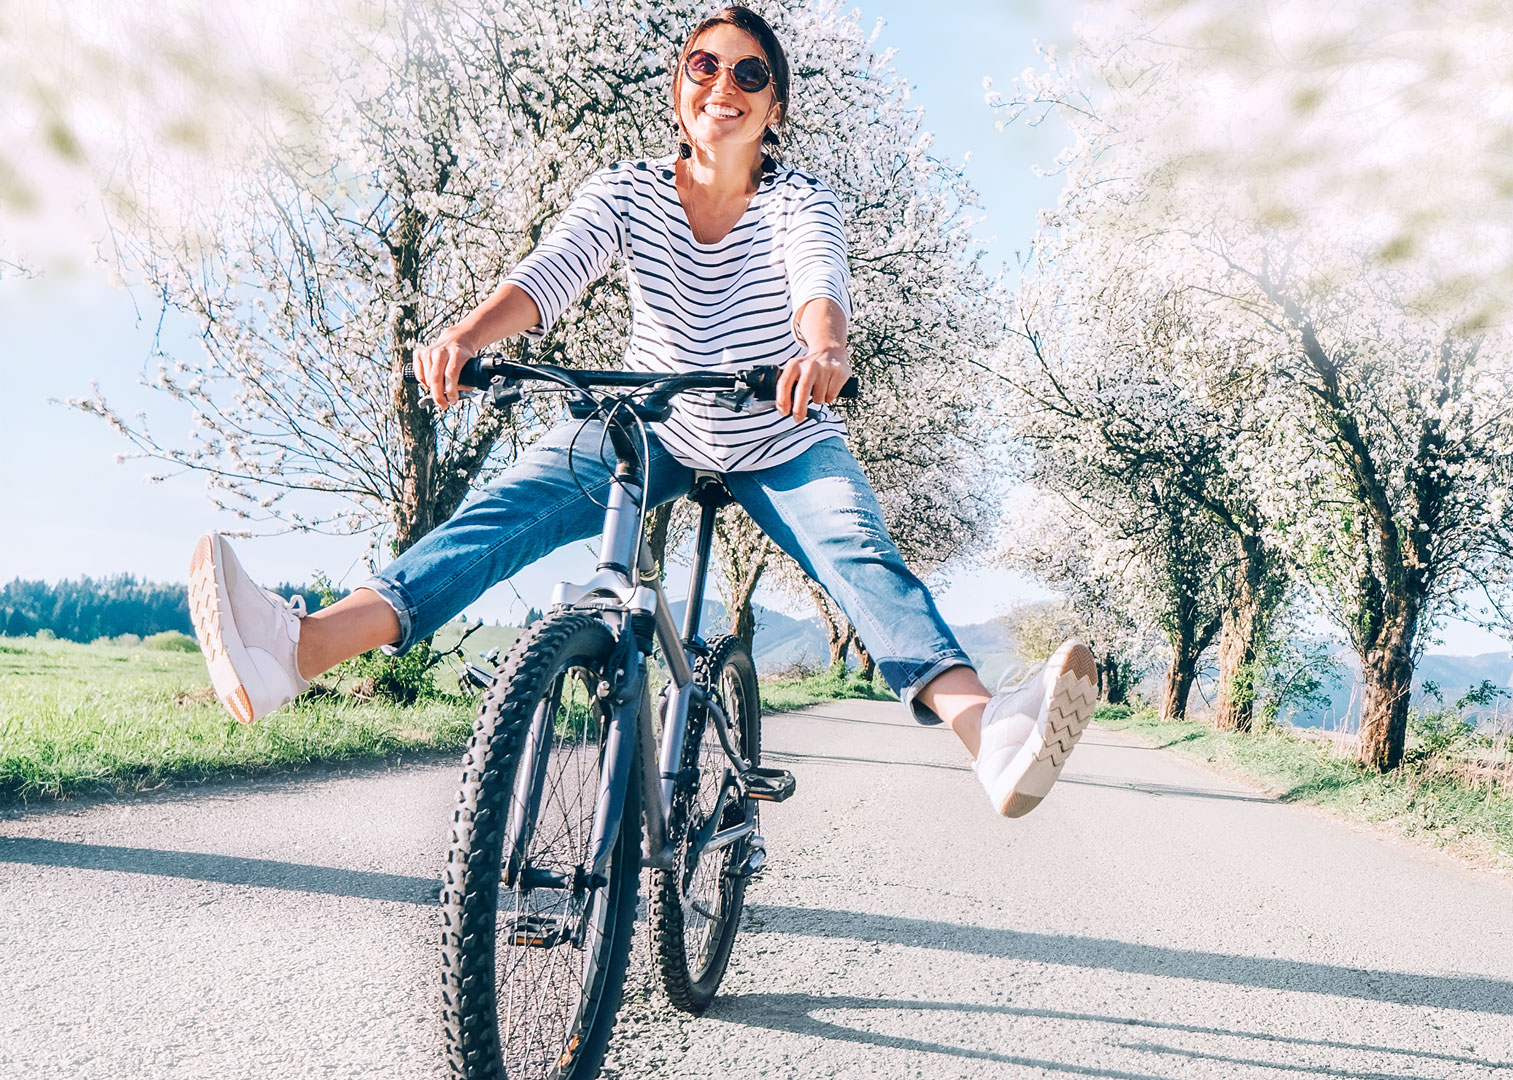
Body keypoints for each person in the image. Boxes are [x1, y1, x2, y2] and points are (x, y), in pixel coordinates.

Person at [186, 4, 1095, 818]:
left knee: (860, 556)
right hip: (652, 425)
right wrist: (468, 335)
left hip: (778, 433)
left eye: (749, 74)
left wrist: (823, 351)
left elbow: (818, 285)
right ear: (678, 91)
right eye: (705, 66)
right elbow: (550, 273)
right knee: (501, 514)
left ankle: (992, 735)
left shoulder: (798, 202)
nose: (724, 86)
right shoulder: (625, 191)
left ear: (774, 108)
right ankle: (298, 650)